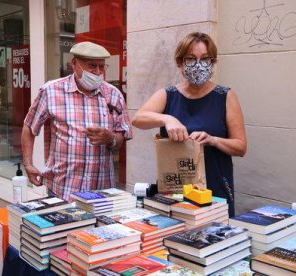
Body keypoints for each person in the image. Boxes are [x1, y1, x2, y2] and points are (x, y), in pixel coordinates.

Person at [132, 32, 247, 217]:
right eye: (191, 59)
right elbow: (138, 119)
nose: (199, 65)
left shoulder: (225, 96)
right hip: (175, 187)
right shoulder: (168, 95)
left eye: (205, 59)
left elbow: (241, 147)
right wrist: (167, 119)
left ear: (213, 62)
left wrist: (213, 140)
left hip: (214, 187)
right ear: (180, 62)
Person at [21, 42, 132, 201]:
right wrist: (28, 164)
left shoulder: (113, 95)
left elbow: (121, 139)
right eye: (92, 66)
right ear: (74, 64)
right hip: (62, 189)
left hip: (101, 191)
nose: (98, 72)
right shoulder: (51, 91)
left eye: (102, 66)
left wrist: (110, 138)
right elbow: (29, 127)